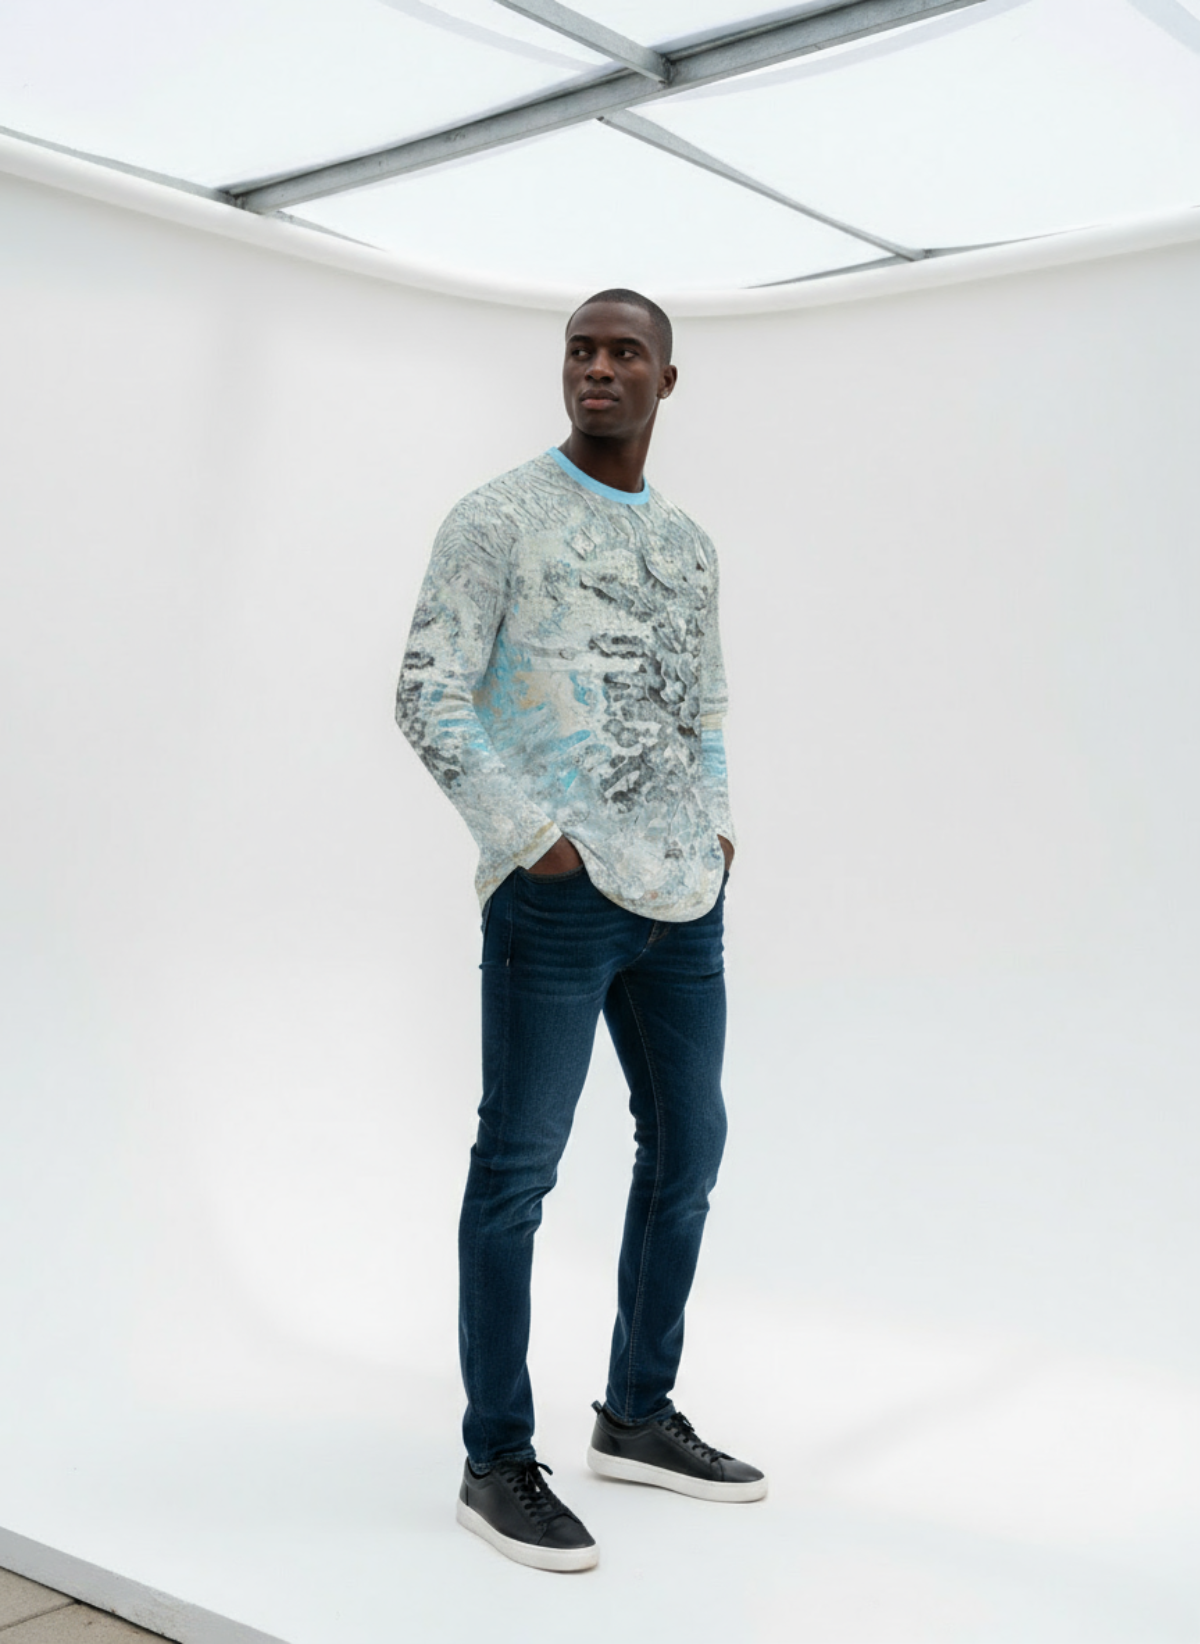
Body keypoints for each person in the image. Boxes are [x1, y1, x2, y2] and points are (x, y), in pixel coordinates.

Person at [396, 288, 765, 1573]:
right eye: (581, 351)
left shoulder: (693, 544)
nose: (598, 370)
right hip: (554, 902)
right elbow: (427, 693)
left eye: (625, 354)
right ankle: (496, 1456)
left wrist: (714, 831)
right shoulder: (496, 517)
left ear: (670, 380)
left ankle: (637, 1412)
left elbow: (705, 701)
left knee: (689, 1151)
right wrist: (533, 839)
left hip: (681, 902)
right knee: (518, 1173)